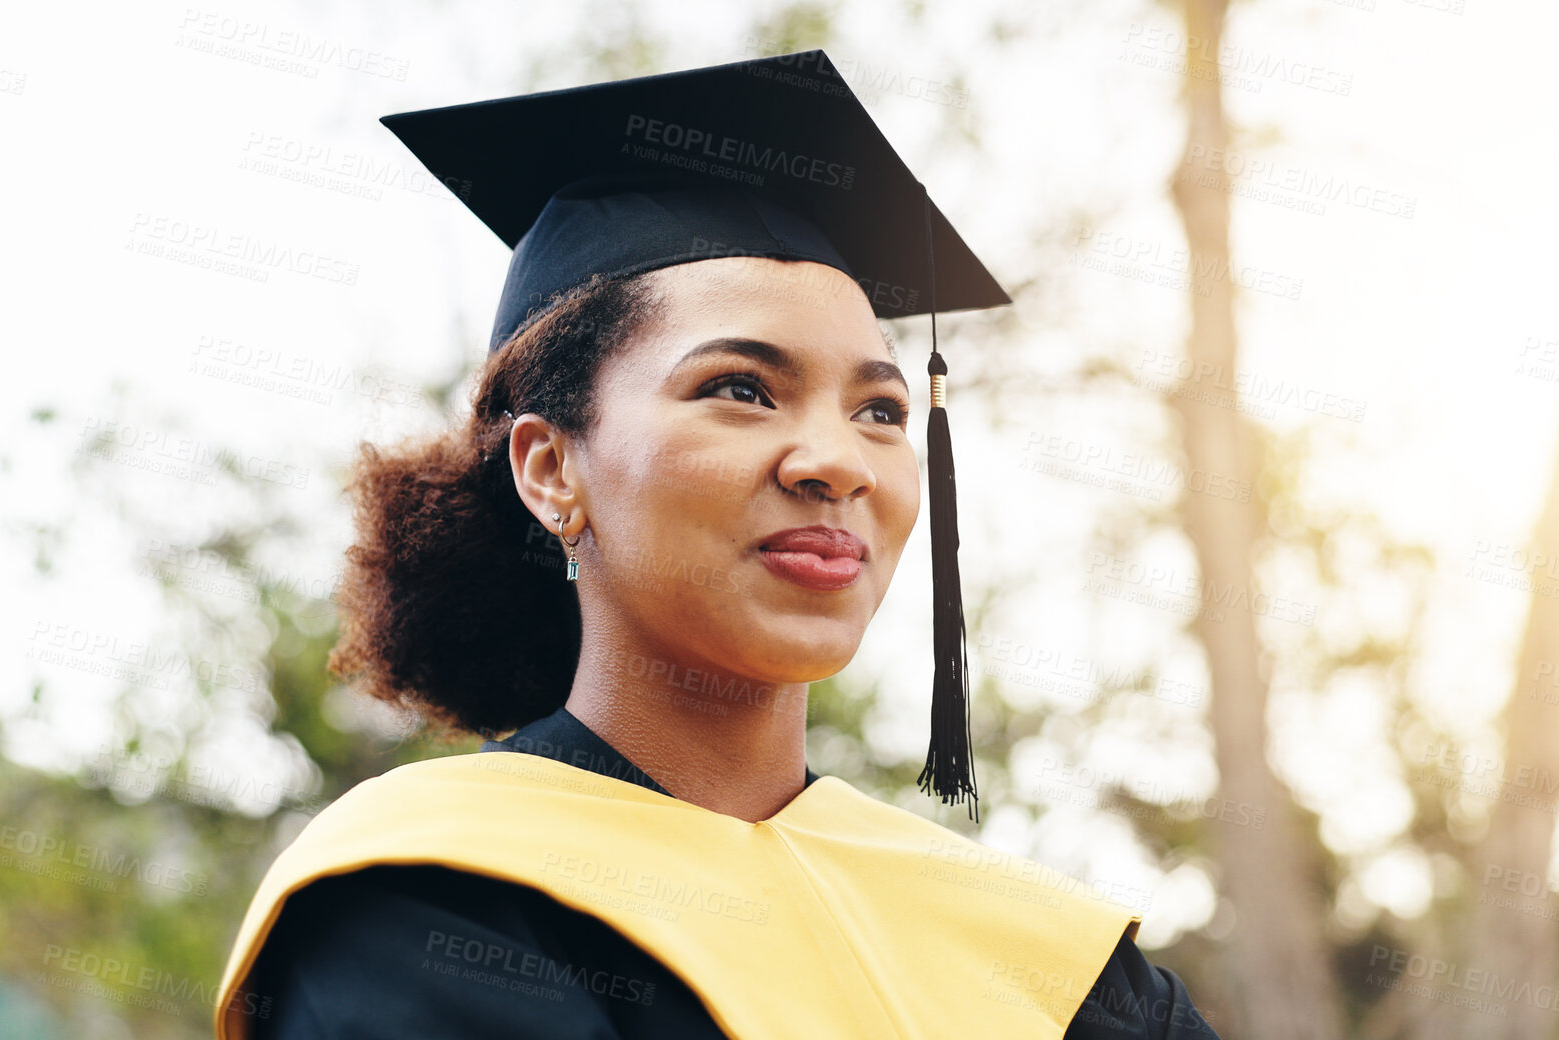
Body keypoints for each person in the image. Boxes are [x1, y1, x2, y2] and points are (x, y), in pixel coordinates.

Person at [212, 49, 1221, 1039]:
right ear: (551, 469)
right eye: (739, 389)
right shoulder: (432, 905)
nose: (836, 460)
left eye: (880, 409)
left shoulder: (1061, 965)